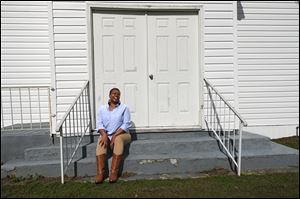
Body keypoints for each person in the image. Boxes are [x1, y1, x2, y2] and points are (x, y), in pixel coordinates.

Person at [95, 88, 132, 184]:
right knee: (100, 141)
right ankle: (100, 174)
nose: (116, 95)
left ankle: (114, 173)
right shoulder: (102, 109)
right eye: (114, 93)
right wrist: (103, 134)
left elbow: (126, 124)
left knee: (118, 139)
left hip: (123, 134)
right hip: (107, 134)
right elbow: (99, 124)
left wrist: (115, 136)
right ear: (109, 95)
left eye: (118, 94)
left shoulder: (124, 107)